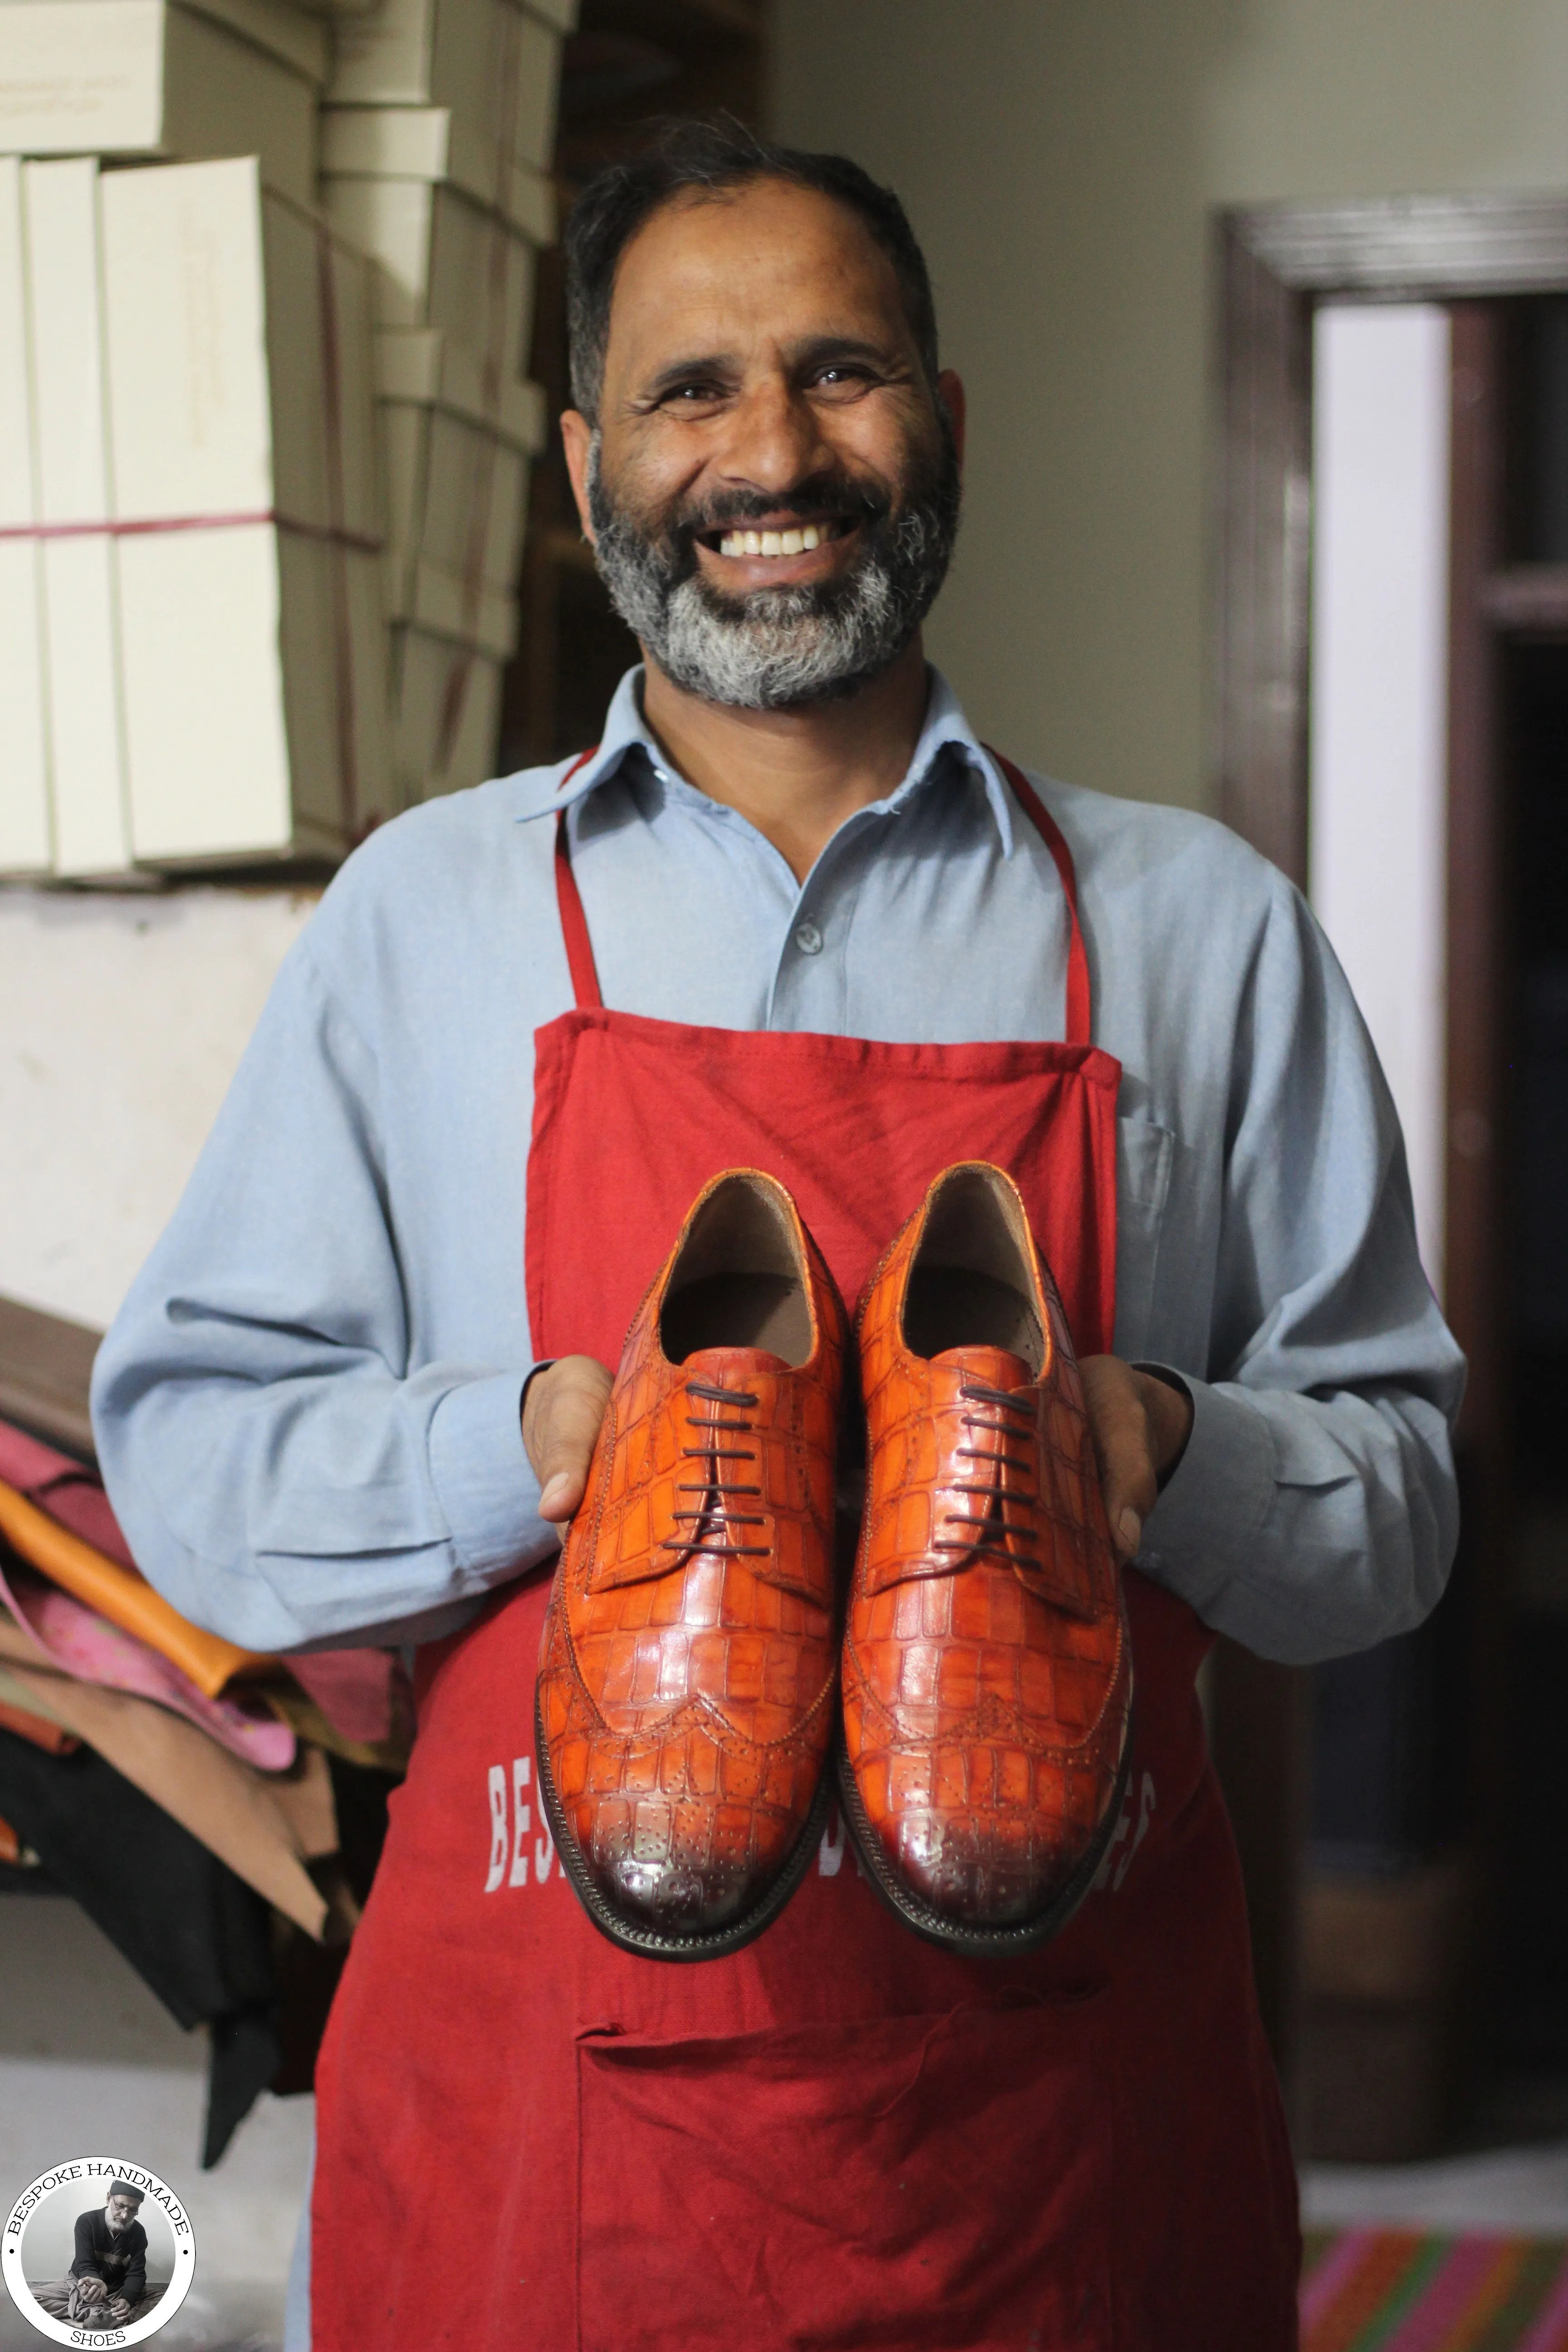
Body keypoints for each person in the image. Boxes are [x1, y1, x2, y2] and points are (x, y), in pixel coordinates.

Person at [92, 118, 1464, 2351]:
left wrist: (1154, 1437)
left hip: (1059, 2148)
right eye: (689, 389)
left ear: (944, 417)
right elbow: (195, 1469)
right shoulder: (423, 923)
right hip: (546, 2150)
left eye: (841, 369)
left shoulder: (1196, 929)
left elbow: (1398, 1514)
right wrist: (546, 1433)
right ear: (580, 463)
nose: (772, 449)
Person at [30, 2182, 161, 2329]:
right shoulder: (87, 2222)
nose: (125, 2216)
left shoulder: (139, 2233)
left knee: (166, 2301)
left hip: (117, 2292)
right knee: (27, 2299)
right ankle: (103, 2315)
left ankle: (100, 2314)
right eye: (120, 2206)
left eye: (133, 2210)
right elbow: (84, 2264)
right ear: (109, 2198)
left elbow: (137, 2274)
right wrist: (93, 2284)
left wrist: (127, 2299)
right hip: (82, 2286)